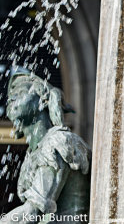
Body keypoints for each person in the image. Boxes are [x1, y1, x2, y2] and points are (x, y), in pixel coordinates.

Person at [3, 69, 90, 224]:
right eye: (10, 96)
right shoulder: (34, 152)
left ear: (43, 100)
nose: (12, 98)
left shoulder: (58, 141)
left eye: (21, 91)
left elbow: (32, 213)